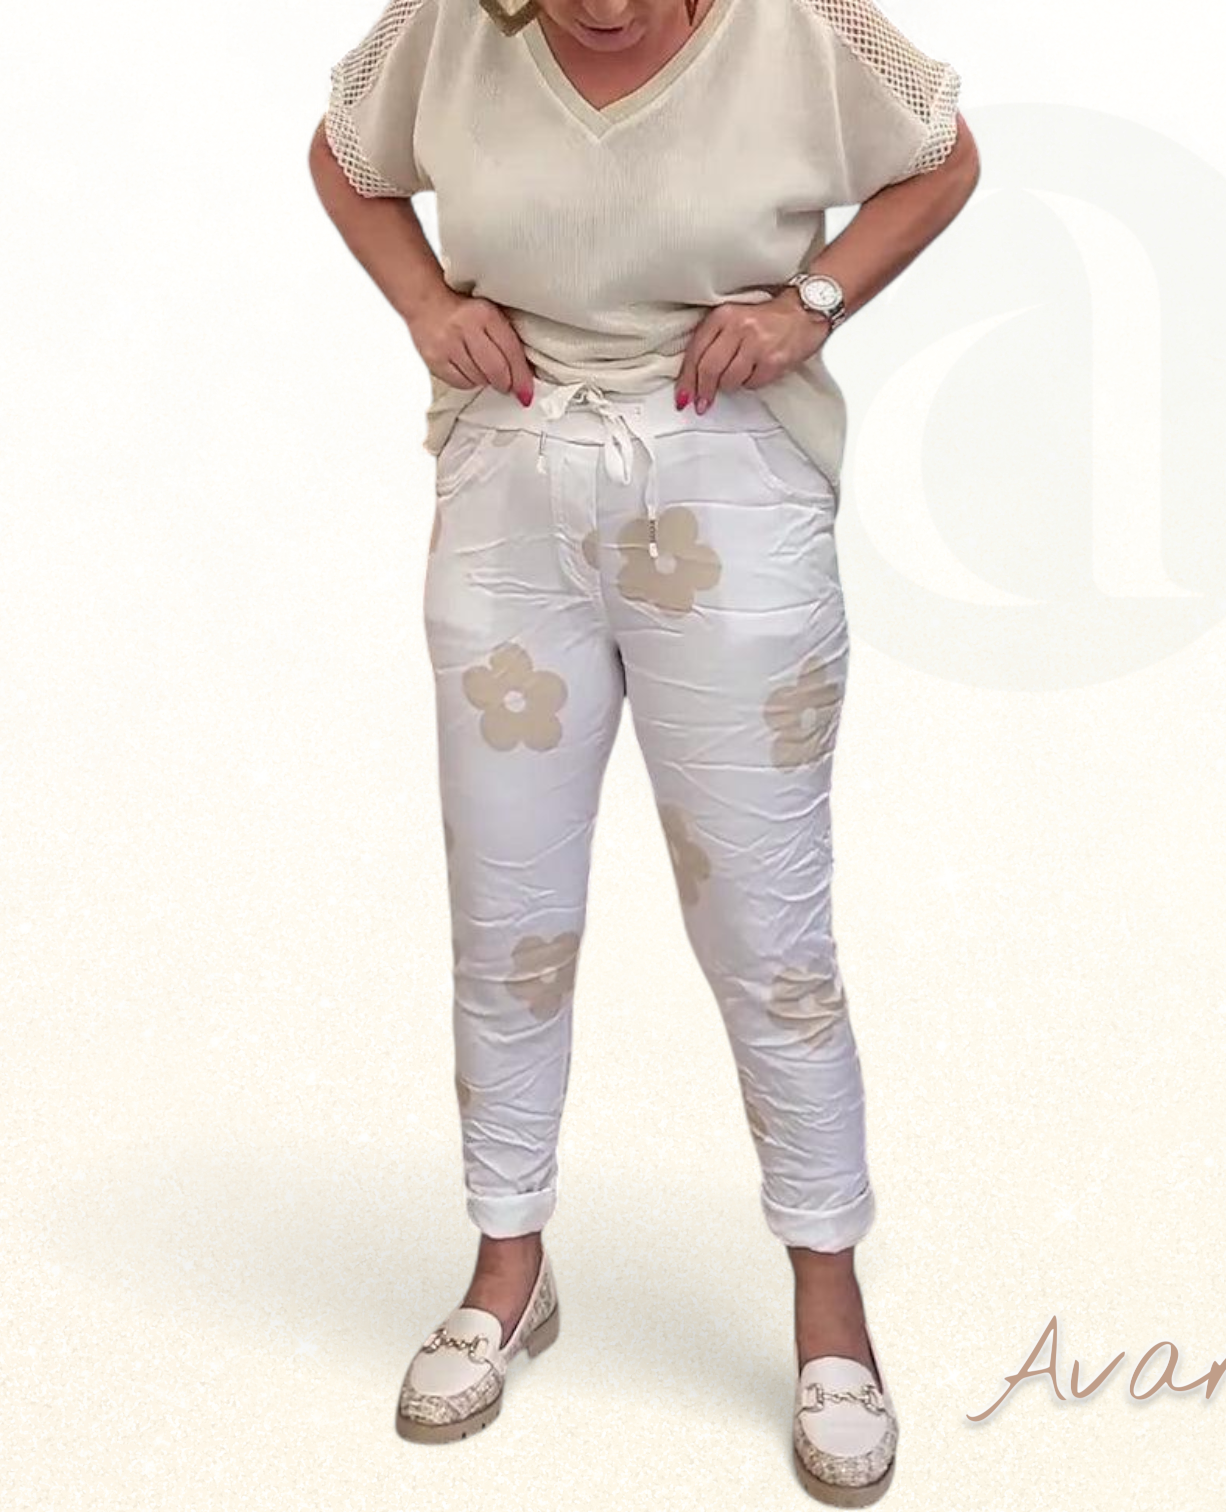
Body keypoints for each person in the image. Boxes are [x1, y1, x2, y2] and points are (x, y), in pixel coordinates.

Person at [308, 0, 977, 1501]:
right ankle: (508, 1264)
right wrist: (423, 303)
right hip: (510, 485)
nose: (602, 10)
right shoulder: (445, 30)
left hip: (730, 480)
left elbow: (942, 158)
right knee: (509, 913)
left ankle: (829, 1302)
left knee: (768, 926)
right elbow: (346, 158)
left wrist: (812, 302)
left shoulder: (803, 26)